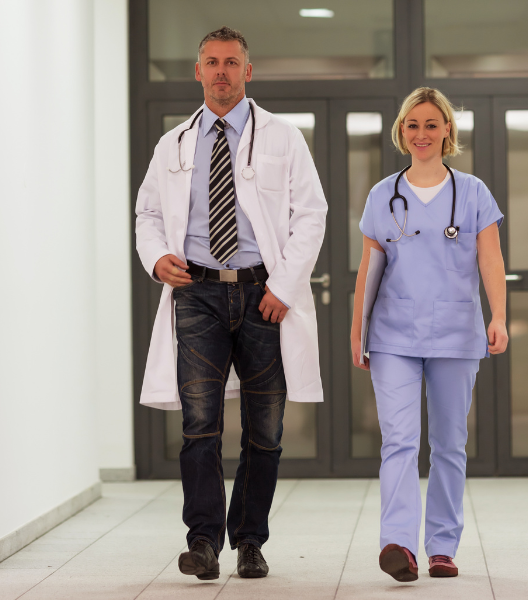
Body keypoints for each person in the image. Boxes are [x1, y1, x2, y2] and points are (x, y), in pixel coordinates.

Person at [135, 27, 327, 581]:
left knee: (265, 428)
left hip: (264, 294)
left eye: (231, 62)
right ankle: (202, 541)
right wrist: (156, 259)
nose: (221, 71)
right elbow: (148, 215)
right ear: (197, 71)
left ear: (249, 70)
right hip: (195, 293)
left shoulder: (284, 138)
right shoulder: (172, 143)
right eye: (212, 63)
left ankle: (248, 541)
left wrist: (283, 286)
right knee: (199, 424)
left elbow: (311, 214)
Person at [351, 87, 507, 582]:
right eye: (413, 124)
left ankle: (441, 545)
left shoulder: (474, 192)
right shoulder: (382, 194)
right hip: (394, 333)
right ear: (402, 131)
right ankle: (398, 544)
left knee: (449, 443)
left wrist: (498, 317)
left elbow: (491, 260)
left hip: (457, 333)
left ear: (447, 132)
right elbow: (368, 269)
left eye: (432, 124)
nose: (422, 133)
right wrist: (358, 330)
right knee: (399, 439)